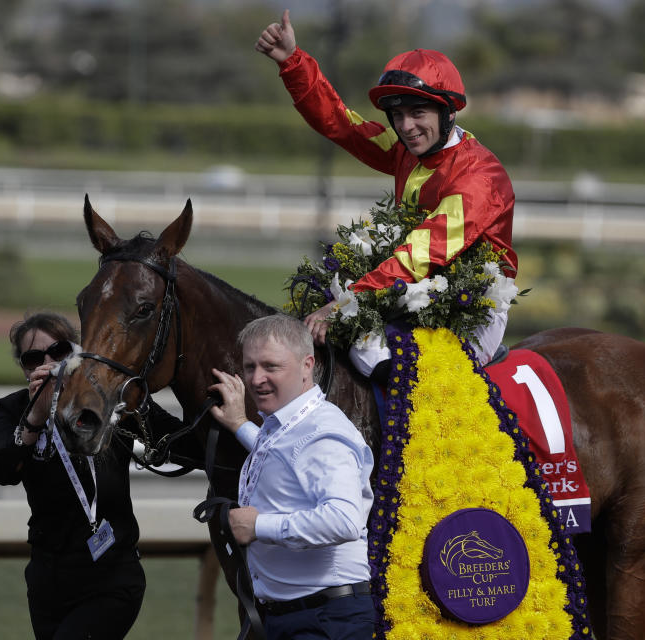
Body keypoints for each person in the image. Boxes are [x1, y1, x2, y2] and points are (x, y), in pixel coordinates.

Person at [256, 9, 518, 380]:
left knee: (385, 362)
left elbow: (423, 251)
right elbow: (341, 124)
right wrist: (292, 62)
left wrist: (346, 302)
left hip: (473, 304)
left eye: (418, 112)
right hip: (409, 284)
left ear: (448, 113)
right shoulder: (406, 151)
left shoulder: (480, 178)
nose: (406, 127)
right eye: (398, 115)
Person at [207, 314, 375, 640]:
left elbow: (344, 520)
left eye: (271, 367)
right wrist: (240, 424)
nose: (257, 379)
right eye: (250, 366)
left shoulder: (323, 431)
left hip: (324, 620)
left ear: (307, 365)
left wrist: (258, 526)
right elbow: (286, 457)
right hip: (299, 617)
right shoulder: (292, 426)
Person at [0, 312, 145, 639]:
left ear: (76, 352)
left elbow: (174, 437)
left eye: (58, 352)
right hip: (49, 577)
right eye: (34, 359)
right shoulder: (13, 408)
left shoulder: (107, 399)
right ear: (24, 367)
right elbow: (3, 470)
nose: (47, 364)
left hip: (110, 574)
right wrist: (35, 415)